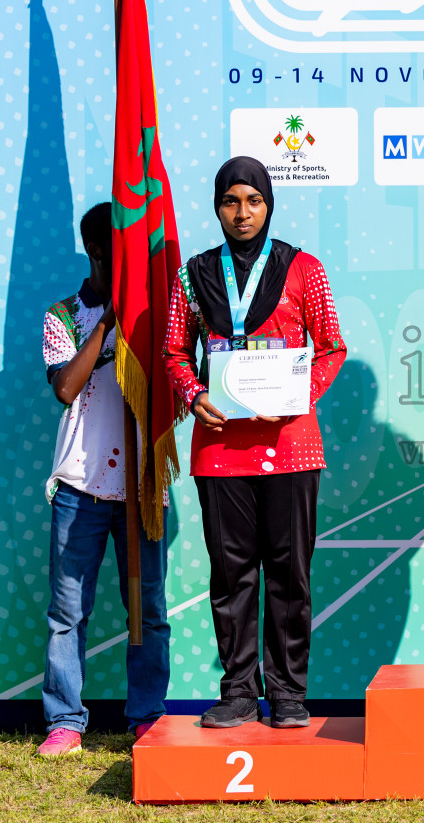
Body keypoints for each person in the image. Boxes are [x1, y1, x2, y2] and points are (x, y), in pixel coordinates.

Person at [163, 157, 347, 728]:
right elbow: (173, 352)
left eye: (253, 202)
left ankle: (289, 693)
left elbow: (332, 347)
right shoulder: (192, 275)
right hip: (219, 449)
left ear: (269, 204)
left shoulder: (304, 268)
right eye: (230, 202)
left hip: (291, 443)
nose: (242, 214)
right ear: (217, 207)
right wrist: (194, 395)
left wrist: (298, 396)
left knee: (290, 573)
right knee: (231, 574)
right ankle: (239, 691)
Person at [36, 202, 169, 757]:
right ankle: (65, 720)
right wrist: (110, 322)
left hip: (140, 487)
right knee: (68, 612)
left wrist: (140, 320)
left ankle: (147, 716)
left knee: (150, 610)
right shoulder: (63, 316)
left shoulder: (153, 314)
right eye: (119, 255)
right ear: (96, 253)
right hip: (78, 489)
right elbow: (66, 388)